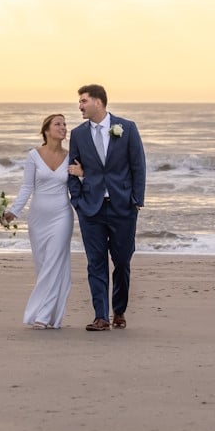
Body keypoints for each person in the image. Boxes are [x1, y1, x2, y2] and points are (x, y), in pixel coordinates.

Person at [68, 84, 146, 332]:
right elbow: (72, 170)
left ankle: (119, 310)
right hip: (91, 209)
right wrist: (77, 201)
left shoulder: (127, 128)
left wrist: (137, 200)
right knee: (96, 262)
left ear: (98, 102)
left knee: (122, 261)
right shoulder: (78, 134)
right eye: (79, 102)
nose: (80, 106)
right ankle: (101, 316)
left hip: (123, 206)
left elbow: (138, 166)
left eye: (83, 101)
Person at [4, 113, 83, 329]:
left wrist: (82, 173)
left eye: (65, 124)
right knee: (42, 265)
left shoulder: (71, 156)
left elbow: (84, 181)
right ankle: (49, 314)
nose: (63, 127)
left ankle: (42, 315)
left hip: (61, 215)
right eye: (58, 124)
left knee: (54, 263)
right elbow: (27, 187)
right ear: (46, 130)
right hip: (38, 217)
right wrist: (14, 211)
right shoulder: (34, 156)